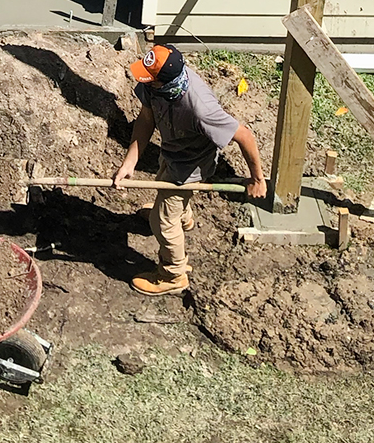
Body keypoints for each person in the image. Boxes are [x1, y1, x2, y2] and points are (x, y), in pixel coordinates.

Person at [113, 43, 267, 296]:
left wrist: (257, 178)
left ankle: (173, 275)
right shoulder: (158, 83)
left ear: (164, 81)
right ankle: (182, 217)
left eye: (149, 79)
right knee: (164, 183)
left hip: (192, 165)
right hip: (173, 149)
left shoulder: (201, 108)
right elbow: (146, 118)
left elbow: (244, 135)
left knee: (161, 221)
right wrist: (129, 163)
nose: (144, 81)